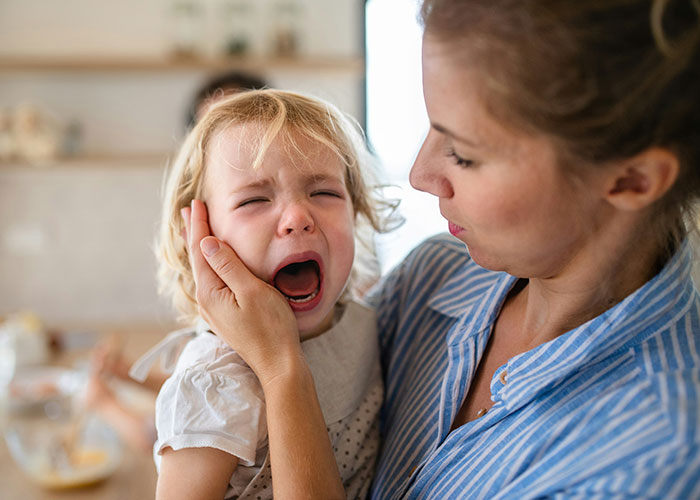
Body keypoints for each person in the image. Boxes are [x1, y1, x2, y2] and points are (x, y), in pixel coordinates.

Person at [184, 0, 700, 498]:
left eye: (463, 153)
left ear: (632, 179)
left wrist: (281, 368)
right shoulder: (433, 275)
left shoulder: (655, 460)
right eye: (432, 125)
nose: (420, 174)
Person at [130, 88, 396, 499]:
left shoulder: (364, 322)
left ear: (356, 211)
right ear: (200, 236)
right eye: (254, 200)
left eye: (324, 192)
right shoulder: (216, 382)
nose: (297, 218)